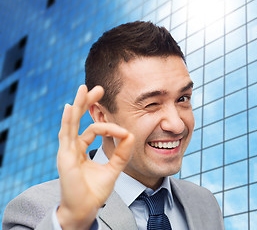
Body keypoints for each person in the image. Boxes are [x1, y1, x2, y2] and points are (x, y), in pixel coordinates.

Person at [3, 21, 224, 230]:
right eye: (152, 104)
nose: (176, 125)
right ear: (101, 115)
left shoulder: (204, 204)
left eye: (183, 99)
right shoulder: (36, 211)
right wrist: (71, 220)